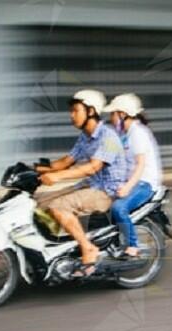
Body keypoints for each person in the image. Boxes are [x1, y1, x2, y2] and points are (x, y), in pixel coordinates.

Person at [36, 89, 129, 276]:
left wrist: (57, 177)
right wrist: (37, 170)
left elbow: (93, 167)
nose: (71, 115)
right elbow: (67, 161)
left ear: (91, 111)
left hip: (107, 192)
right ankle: (64, 243)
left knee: (58, 207)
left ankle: (87, 248)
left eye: (75, 111)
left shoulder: (110, 137)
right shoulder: (85, 136)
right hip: (90, 185)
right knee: (39, 202)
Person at [104, 93, 163, 258]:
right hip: (133, 181)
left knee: (119, 208)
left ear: (122, 114)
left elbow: (140, 164)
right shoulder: (126, 133)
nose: (111, 118)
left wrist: (127, 187)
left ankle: (132, 245)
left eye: (113, 114)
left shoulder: (138, 133)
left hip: (145, 184)